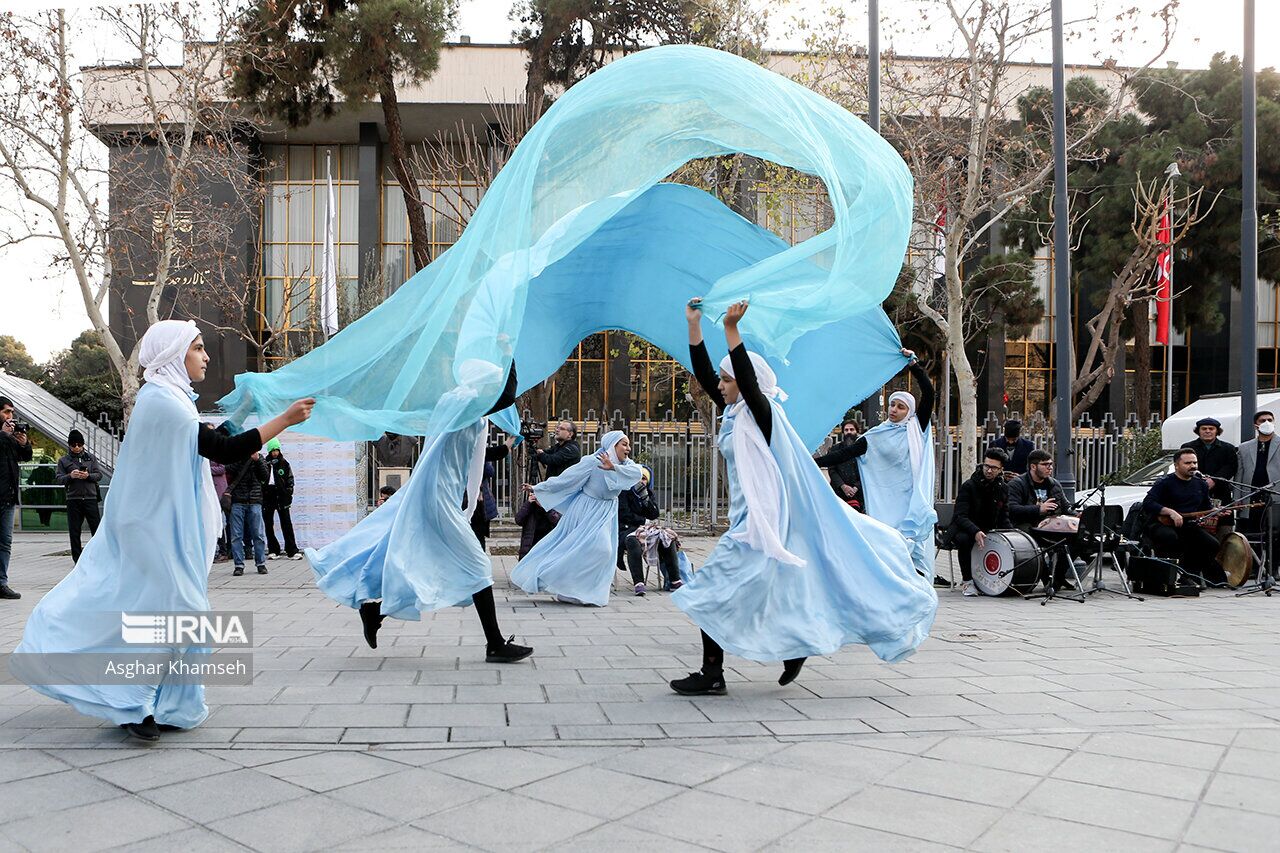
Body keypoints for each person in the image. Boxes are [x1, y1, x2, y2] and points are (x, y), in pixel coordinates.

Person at [15, 319, 314, 741]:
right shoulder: (164, 403)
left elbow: (211, 439)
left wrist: (248, 409)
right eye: (197, 347)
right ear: (174, 355)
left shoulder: (168, 398)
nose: (205, 356)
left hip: (158, 528)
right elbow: (223, 449)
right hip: (151, 531)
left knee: (177, 617)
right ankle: (131, 704)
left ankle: (175, 705)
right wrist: (283, 419)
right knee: (176, 615)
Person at [669, 298, 936, 696]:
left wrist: (732, 330)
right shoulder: (734, 413)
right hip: (752, 517)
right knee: (759, 590)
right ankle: (790, 648)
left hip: (762, 521)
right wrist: (693, 324)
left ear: (745, 384)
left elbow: (743, 376)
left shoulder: (762, 413)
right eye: (722, 382)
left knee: (711, 590)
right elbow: (706, 372)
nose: (720, 386)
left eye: (728, 381)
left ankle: (713, 674)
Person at [308, 359, 532, 663]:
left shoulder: (458, 404)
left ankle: (374, 611)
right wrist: (509, 353)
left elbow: (476, 450)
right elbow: (506, 397)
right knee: (477, 566)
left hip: (441, 495)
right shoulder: (462, 403)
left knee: (420, 561)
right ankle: (494, 644)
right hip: (438, 496)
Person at [811, 355, 940, 584]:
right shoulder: (876, 436)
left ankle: (915, 587)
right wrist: (811, 461)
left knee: (909, 549)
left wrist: (915, 367)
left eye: (901, 407)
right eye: (892, 404)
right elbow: (844, 454)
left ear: (909, 411)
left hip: (908, 501)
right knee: (888, 549)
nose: (894, 410)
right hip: (885, 503)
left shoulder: (915, 428)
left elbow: (929, 394)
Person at [510, 430, 644, 606]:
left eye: (628, 444)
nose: (628, 448)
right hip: (587, 509)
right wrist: (539, 488)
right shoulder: (592, 462)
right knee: (592, 549)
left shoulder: (626, 465)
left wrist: (613, 467)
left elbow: (636, 473)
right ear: (613, 445)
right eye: (624, 444)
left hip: (606, 511)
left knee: (603, 551)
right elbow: (566, 479)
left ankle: (582, 592)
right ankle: (556, 579)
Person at [1143, 448, 1226, 585]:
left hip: (1188, 525)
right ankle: (1168, 576)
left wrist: (1216, 511)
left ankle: (1189, 575)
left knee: (1212, 544)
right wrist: (1170, 512)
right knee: (1171, 538)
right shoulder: (1165, 482)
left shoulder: (1201, 484)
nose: (1193, 466)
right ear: (1176, 465)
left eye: (1195, 462)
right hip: (1161, 524)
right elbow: (1148, 503)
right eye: (1188, 463)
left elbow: (1205, 508)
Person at [950, 448, 1012, 597]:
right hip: (964, 528)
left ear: (1001, 469)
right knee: (965, 540)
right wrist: (975, 531)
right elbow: (960, 516)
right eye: (986, 466)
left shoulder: (1003, 488)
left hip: (989, 529)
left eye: (994, 468)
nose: (989, 470)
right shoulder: (969, 486)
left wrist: (1012, 535)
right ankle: (967, 581)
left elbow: (1004, 516)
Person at [1235, 410, 1280, 560]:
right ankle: (1254, 565)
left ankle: (1273, 568)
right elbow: (1239, 475)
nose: (1266, 423)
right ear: (1256, 425)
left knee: (1275, 533)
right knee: (1252, 532)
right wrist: (1238, 499)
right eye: (1262, 420)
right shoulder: (1244, 448)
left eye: (1269, 420)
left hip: (1275, 496)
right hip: (1251, 496)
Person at [0, 395, 33, 600]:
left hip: (8, 497)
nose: (10, 416)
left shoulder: (9, 436)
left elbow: (25, 457)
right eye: (6, 412)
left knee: (5, 542)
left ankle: (1, 583)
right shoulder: (3, 435)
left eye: (11, 412)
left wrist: (23, 444)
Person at [55, 430, 103, 564]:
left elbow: (98, 475)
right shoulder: (63, 461)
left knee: (96, 530)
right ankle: (78, 560)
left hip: (90, 498)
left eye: (79, 444)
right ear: (69, 445)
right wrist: (71, 476)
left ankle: (99, 557)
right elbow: (59, 478)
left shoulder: (91, 458)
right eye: (73, 444)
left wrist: (88, 476)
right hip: (73, 500)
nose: (76, 447)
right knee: (74, 531)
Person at [617, 465, 662, 596]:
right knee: (633, 542)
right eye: (638, 478)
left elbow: (654, 514)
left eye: (644, 479)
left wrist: (645, 499)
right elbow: (624, 514)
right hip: (626, 530)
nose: (641, 482)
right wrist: (643, 521)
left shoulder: (647, 493)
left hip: (645, 530)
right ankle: (639, 583)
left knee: (666, 539)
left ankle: (675, 579)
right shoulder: (624, 492)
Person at [226, 449, 269, 576]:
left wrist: (257, 461)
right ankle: (238, 565)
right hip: (237, 500)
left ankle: (261, 563)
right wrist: (242, 458)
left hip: (255, 500)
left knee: (258, 534)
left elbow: (265, 476)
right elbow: (228, 468)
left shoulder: (259, 457)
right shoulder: (236, 456)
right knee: (236, 535)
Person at [1182, 417, 1237, 505]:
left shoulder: (1228, 448)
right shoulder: (1188, 447)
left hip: (1220, 491)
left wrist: (1214, 480)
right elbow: (1183, 466)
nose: (1207, 431)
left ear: (1217, 431)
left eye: (1211, 429)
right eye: (1204, 429)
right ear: (1198, 431)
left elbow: (1231, 467)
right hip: (1193, 489)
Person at [469, 437, 511, 550]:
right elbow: (489, 471)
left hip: (479, 500)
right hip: (475, 502)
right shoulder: (473, 453)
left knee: (477, 536)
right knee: (477, 537)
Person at [262, 438, 301, 561]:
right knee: (268, 524)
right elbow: (259, 478)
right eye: (273, 450)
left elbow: (290, 479)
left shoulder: (284, 463)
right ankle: (273, 550)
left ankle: (292, 550)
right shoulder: (264, 463)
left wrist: (288, 493)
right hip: (268, 495)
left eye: (277, 450)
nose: (275, 453)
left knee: (286, 523)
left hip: (282, 496)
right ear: (269, 451)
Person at [820, 419, 863, 510]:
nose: (849, 432)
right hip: (838, 492)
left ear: (857, 431)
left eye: (852, 429)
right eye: (846, 430)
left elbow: (867, 470)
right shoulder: (835, 449)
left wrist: (856, 487)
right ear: (843, 432)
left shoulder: (863, 450)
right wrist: (843, 486)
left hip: (859, 493)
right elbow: (832, 470)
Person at [514, 491, 558, 559]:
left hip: (545, 548)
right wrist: (528, 503)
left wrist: (545, 506)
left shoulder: (550, 507)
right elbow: (518, 520)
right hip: (528, 548)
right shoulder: (530, 507)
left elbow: (556, 521)